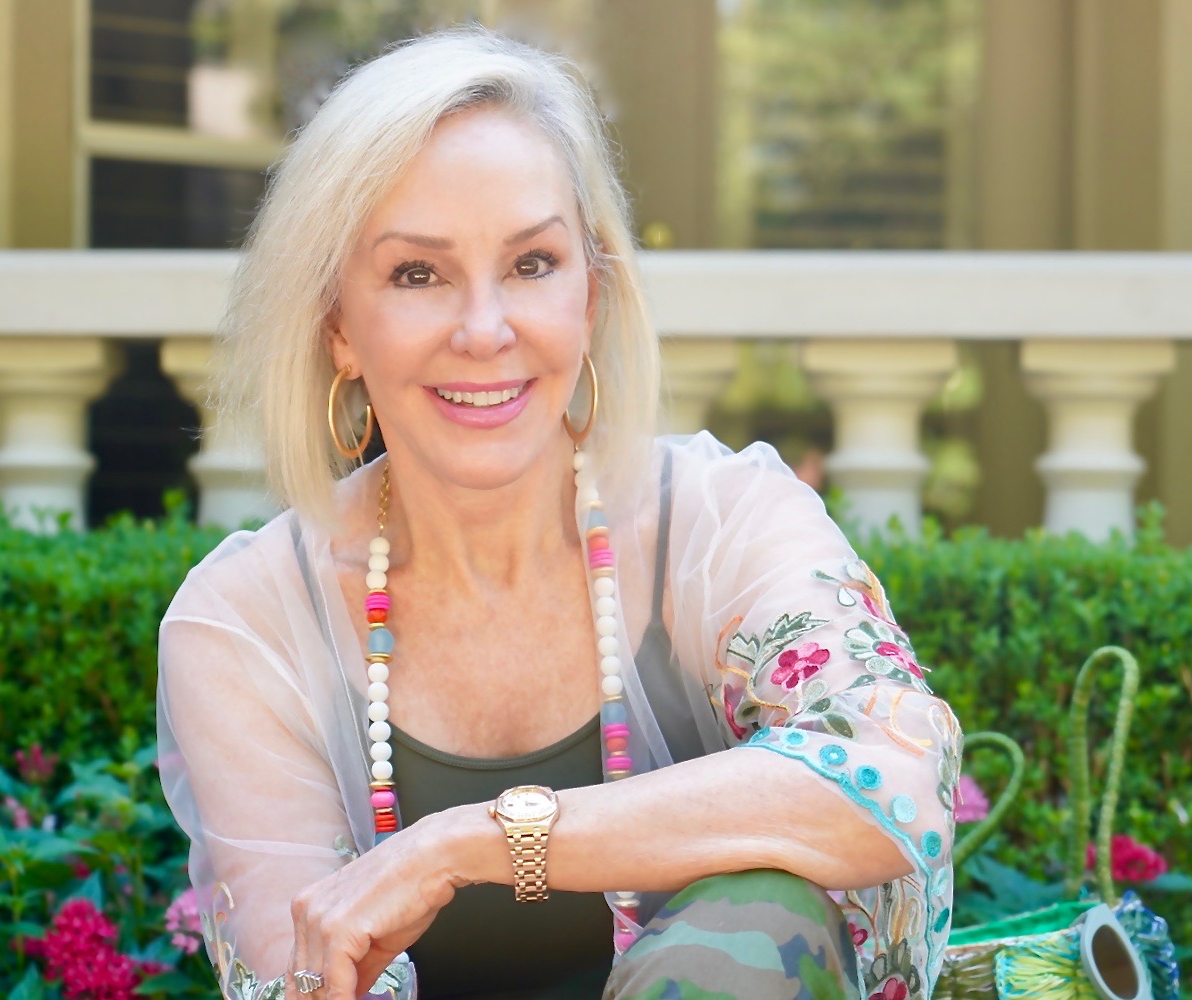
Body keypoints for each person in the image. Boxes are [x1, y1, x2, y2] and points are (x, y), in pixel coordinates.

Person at [156, 26, 962, 1000]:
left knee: (757, 911)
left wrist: (467, 843)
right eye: (417, 273)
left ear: (595, 287)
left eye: (532, 263)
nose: (484, 330)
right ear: (338, 326)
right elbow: (309, 979)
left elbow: (891, 775)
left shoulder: (720, 517)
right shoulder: (245, 625)